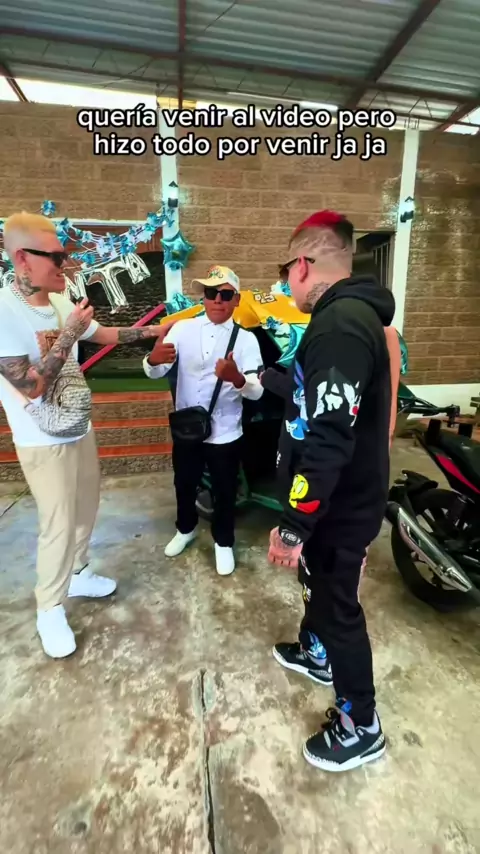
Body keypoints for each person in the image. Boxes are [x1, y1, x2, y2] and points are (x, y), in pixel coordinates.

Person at [0, 212, 174, 659]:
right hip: (42, 439)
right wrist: (68, 335)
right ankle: (49, 607)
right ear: (22, 258)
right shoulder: (4, 311)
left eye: (66, 254)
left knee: (86, 507)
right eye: (56, 256)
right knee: (57, 523)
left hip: (79, 426)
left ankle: (77, 574)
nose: (66, 264)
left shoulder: (60, 301)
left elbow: (108, 334)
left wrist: (157, 329)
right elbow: (32, 386)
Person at [267, 210, 395, 772]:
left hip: (338, 507)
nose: (285, 284)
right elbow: (315, 402)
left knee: (339, 610)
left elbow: (329, 438)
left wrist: (295, 524)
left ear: (301, 265)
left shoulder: (339, 325)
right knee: (321, 594)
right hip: (336, 500)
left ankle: (360, 725)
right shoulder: (345, 319)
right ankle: (316, 654)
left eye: (284, 272)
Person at [143, 265, 263, 576]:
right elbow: (156, 370)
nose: (217, 300)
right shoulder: (183, 329)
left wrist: (237, 378)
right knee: (184, 483)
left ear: (236, 300)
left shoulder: (246, 340)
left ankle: (223, 542)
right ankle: (185, 529)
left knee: (225, 490)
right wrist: (152, 360)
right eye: (211, 293)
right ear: (204, 298)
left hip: (225, 431)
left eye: (225, 294)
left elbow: (257, 391)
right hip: (187, 428)